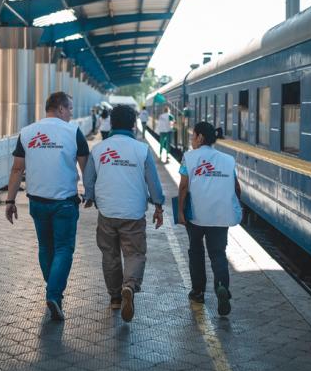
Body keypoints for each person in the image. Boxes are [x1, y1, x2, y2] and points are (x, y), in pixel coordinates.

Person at [5, 92, 89, 321]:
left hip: (37, 202)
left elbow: (16, 170)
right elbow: (86, 168)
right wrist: (91, 194)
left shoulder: (28, 132)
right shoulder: (73, 132)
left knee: (45, 247)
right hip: (64, 203)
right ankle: (53, 293)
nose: (71, 113)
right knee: (63, 249)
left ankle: (53, 292)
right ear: (61, 108)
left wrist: (10, 201)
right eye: (69, 109)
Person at [83, 105, 165, 322]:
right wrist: (158, 206)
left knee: (109, 255)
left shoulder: (100, 149)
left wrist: (89, 196)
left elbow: (88, 177)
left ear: (112, 122)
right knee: (134, 253)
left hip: (107, 211)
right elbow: (153, 182)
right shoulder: (141, 150)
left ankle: (115, 298)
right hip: (133, 213)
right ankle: (129, 285)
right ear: (132, 124)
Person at [177, 121, 242, 316]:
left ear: (200, 137)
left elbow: (183, 187)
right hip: (221, 215)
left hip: (196, 215)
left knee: (196, 252)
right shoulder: (228, 159)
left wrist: (180, 212)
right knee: (218, 254)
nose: (191, 140)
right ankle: (222, 286)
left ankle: (198, 292)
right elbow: (236, 187)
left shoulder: (189, 157)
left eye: (193, 136)